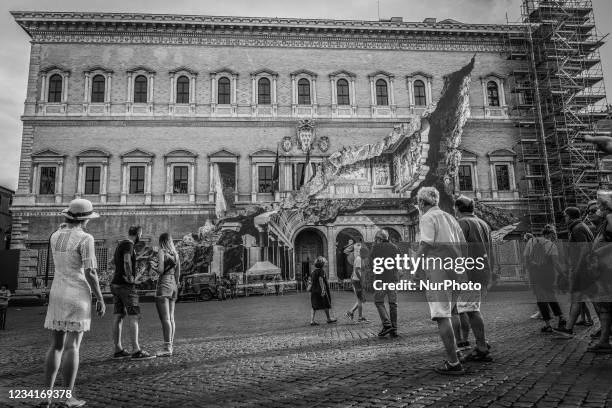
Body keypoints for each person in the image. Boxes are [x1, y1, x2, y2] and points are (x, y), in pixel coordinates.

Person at [42, 199, 106, 408]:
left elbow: (62, 233)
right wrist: (100, 297)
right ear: (86, 219)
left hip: (57, 291)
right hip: (77, 292)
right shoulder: (85, 238)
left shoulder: (54, 236)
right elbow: (90, 271)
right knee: (73, 347)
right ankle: (67, 397)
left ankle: (45, 396)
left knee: (56, 346)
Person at [414, 187, 467, 375]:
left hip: (439, 270)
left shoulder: (428, 217)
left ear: (421, 203)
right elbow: (463, 245)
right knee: (452, 311)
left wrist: (415, 268)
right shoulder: (450, 217)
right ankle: (457, 350)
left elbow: (425, 244)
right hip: (456, 268)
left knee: (441, 315)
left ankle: (453, 362)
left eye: (418, 203)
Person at [454, 195, 493, 362]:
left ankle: (482, 346)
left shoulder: (463, 223)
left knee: (471, 310)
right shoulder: (483, 224)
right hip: (482, 272)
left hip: (469, 274)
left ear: (457, 209)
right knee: (472, 309)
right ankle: (481, 342)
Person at [111, 226, 155, 360]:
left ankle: (118, 349)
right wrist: (130, 277)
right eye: (140, 235)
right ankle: (136, 350)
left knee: (118, 316)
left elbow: (113, 262)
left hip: (116, 284)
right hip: (126, 286)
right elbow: (126, 260)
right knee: (134, 315)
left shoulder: (120, 245)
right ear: (138, 234)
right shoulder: (129, 245)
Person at [553, 207, 594, 338]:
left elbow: (583, 248)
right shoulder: (580, 226)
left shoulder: (577, 228)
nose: (564, 218)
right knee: (580, 299)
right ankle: (570, 327)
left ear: (570, 216)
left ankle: (569, 328)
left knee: (577, 299)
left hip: (581, 269)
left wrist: (577, 267)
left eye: (565, 216)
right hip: (585, 268)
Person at [524, 224, 566, 333]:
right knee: (551, 295)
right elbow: (556, 263)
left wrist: (530, 271)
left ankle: (547, 325)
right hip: (548, 274)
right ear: (550, 235)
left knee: (541, 299)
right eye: (553, 236)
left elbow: (526, 260)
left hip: (536, 274)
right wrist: (563, 274)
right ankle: (561, 317)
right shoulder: (552, 245)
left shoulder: (531, 241)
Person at [586, 190, 612, 353]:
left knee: (605, 305)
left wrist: (598, 253)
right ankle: (604, 338)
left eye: (597, 206)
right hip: (603, 269)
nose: (595, 210)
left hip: (607, 269)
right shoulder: (604, 222)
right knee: (604, 305)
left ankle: (604, 340)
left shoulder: (610, 218)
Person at [155, 233, 180, 357]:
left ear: (161, 241)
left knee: (165, 319)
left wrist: (153, 266)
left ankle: (167, 347)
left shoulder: (161, 252)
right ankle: (170, 345)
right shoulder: (176, 254)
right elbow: (178, 274)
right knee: (171, 317)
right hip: (173, 285)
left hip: (164, 283)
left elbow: (160, 270)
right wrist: (175, 285)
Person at [370, 230, 400, 337]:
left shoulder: (376, 248)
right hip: (393, 278)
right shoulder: (394, 247)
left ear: (379, 238)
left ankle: (387, 324)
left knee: (378, 301)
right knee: (393, 304)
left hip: (381, 278)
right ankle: (394, 330)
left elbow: (372, 263)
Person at [345, 241, 369, 323]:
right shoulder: (359, 259)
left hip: (356, 280)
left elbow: (355, 271)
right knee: (360, 300)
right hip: (358, 281)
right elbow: (357, 270)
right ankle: (359, 317)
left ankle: (352, 313)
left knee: (361, 299)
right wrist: (361, 280)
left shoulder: (359, 259)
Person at [310, 256, 337, 325]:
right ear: (322, 264)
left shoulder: (313, 271)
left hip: (314, 290)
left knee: (314, 305)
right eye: (325, 262)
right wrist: (323, 290)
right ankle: (328, 319)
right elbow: (320, 279)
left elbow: (311, 281)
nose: (326, 263)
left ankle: (312, 320)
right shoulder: (321, 271)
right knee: (326, 304)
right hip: (320, 290)